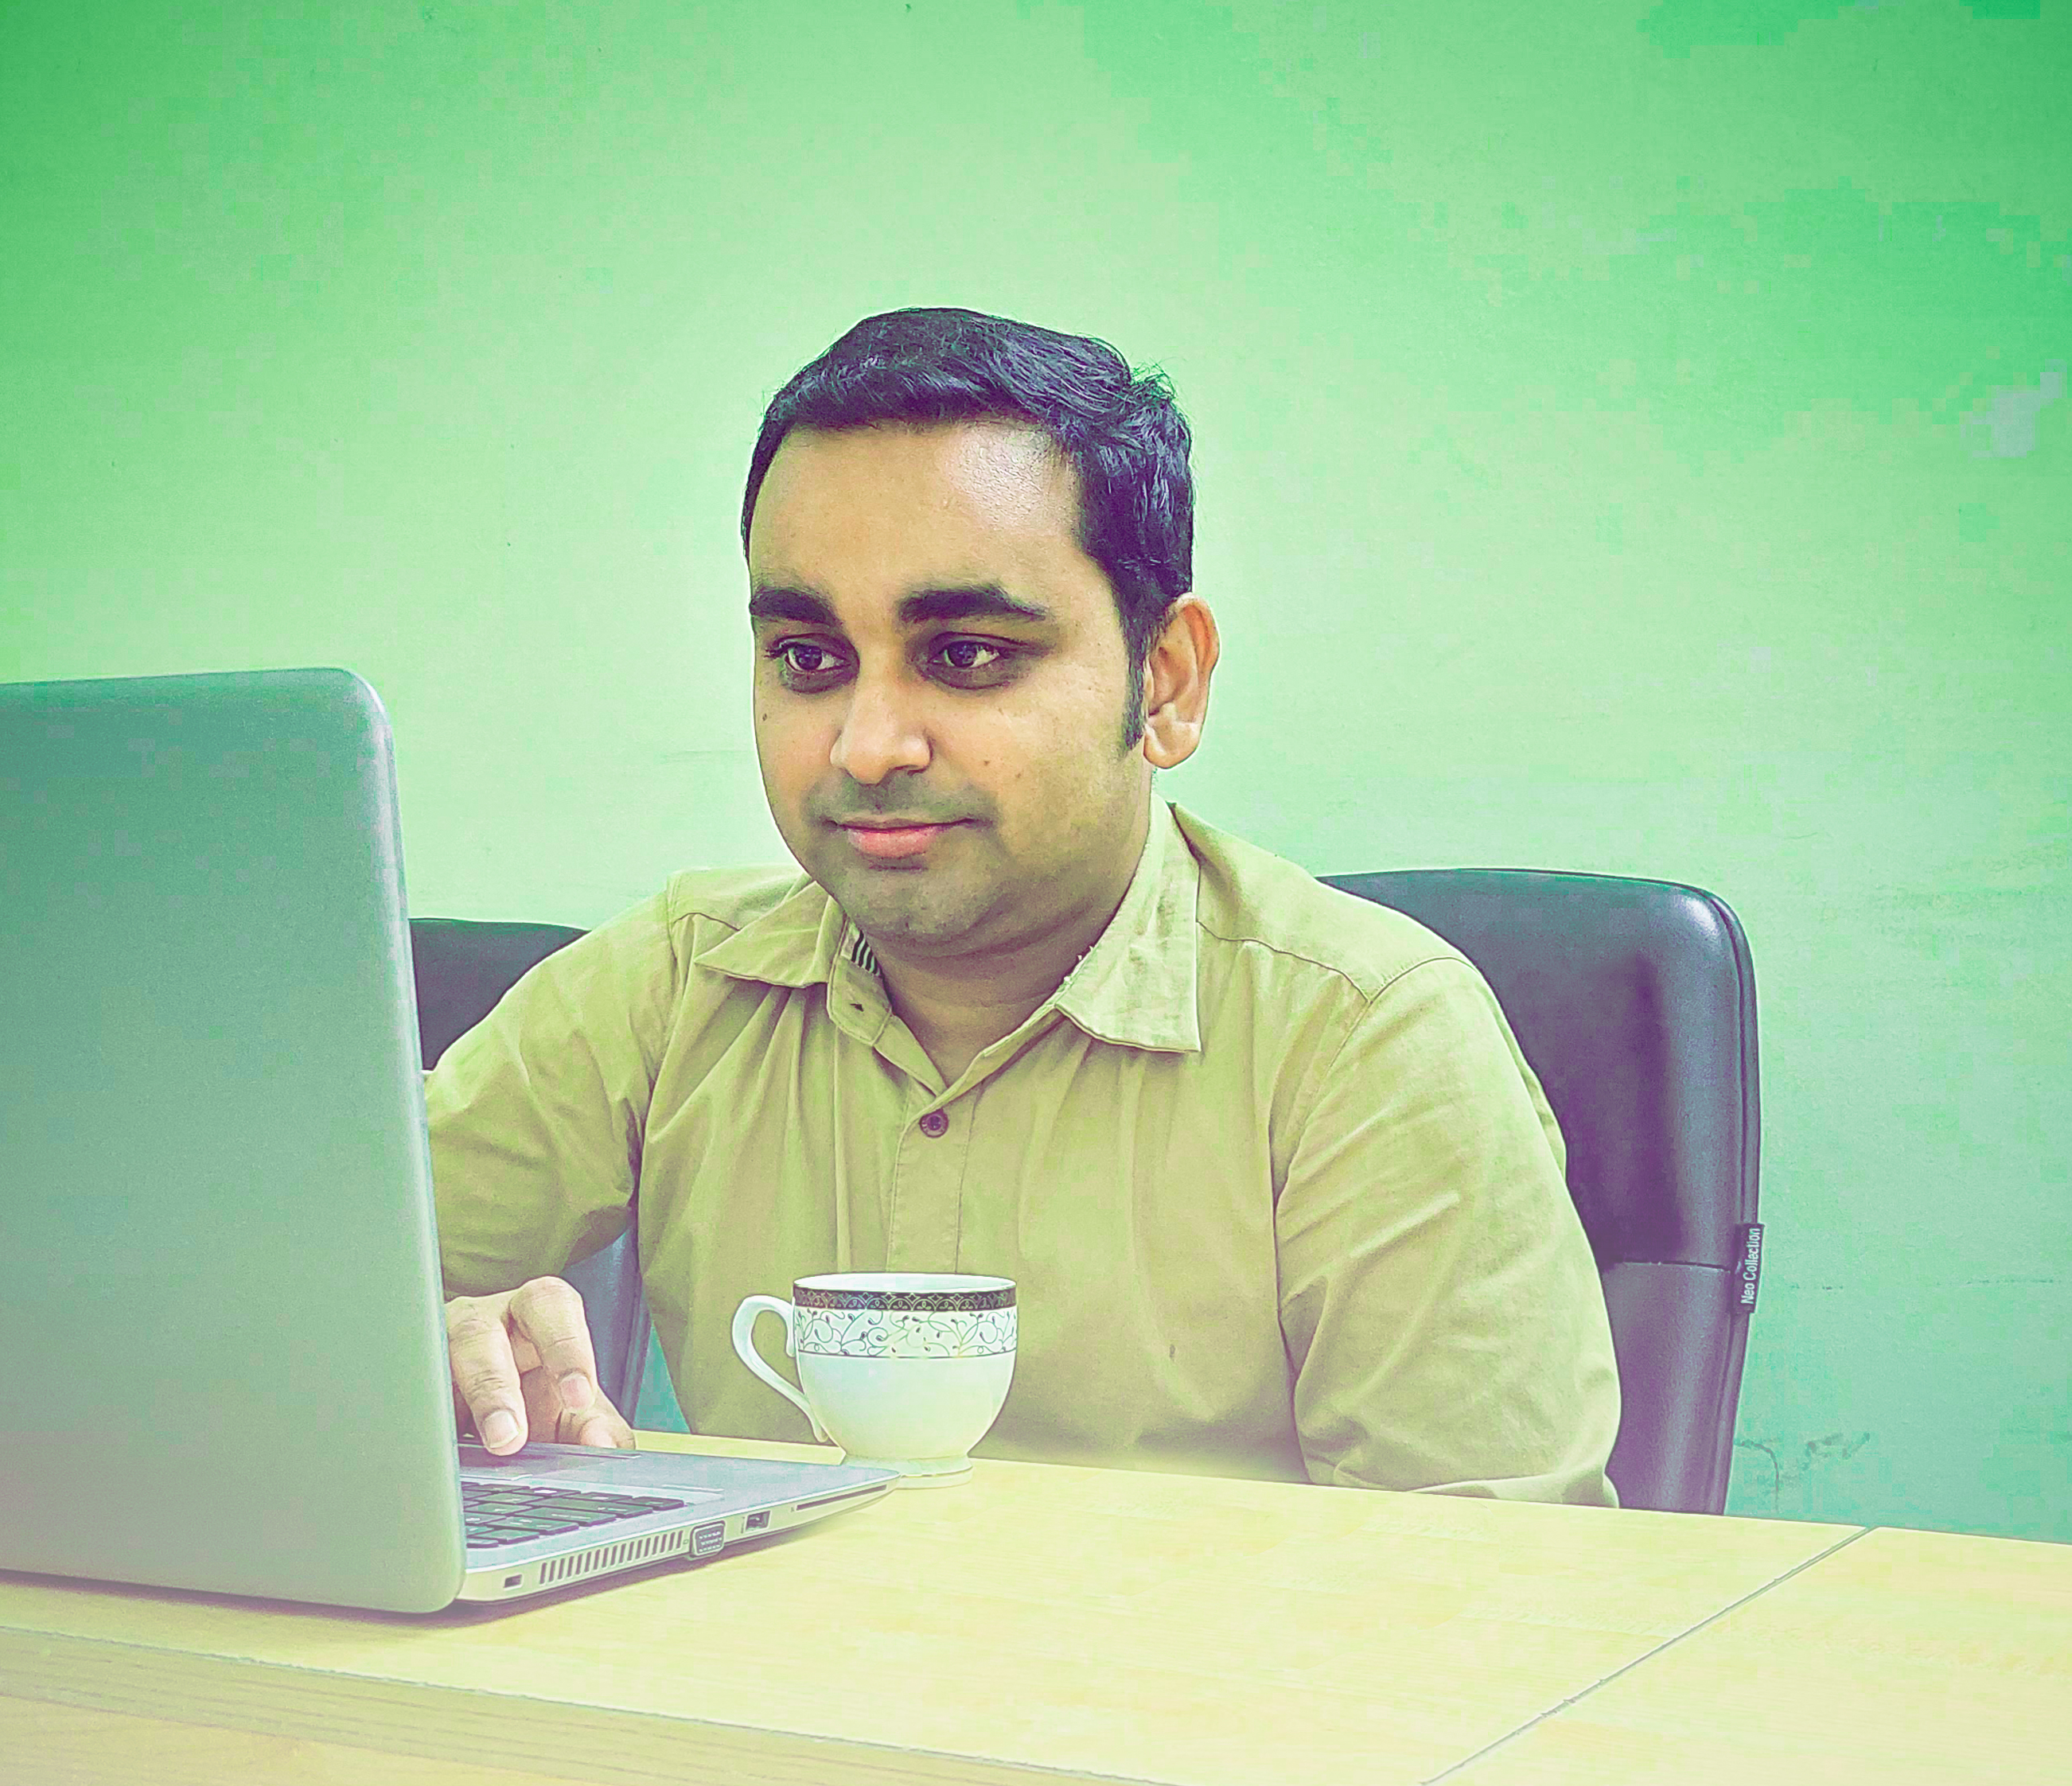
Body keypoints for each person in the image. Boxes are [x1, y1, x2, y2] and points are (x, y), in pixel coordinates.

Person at [428, 306, 1621, 1503]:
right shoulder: (672, 982)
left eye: (967, 655)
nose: (868, 744)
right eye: (808, 659)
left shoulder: (1370, 1041)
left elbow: (1486, 1588)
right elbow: (320, 1303)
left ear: (1165, 681)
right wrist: (425, 1352)